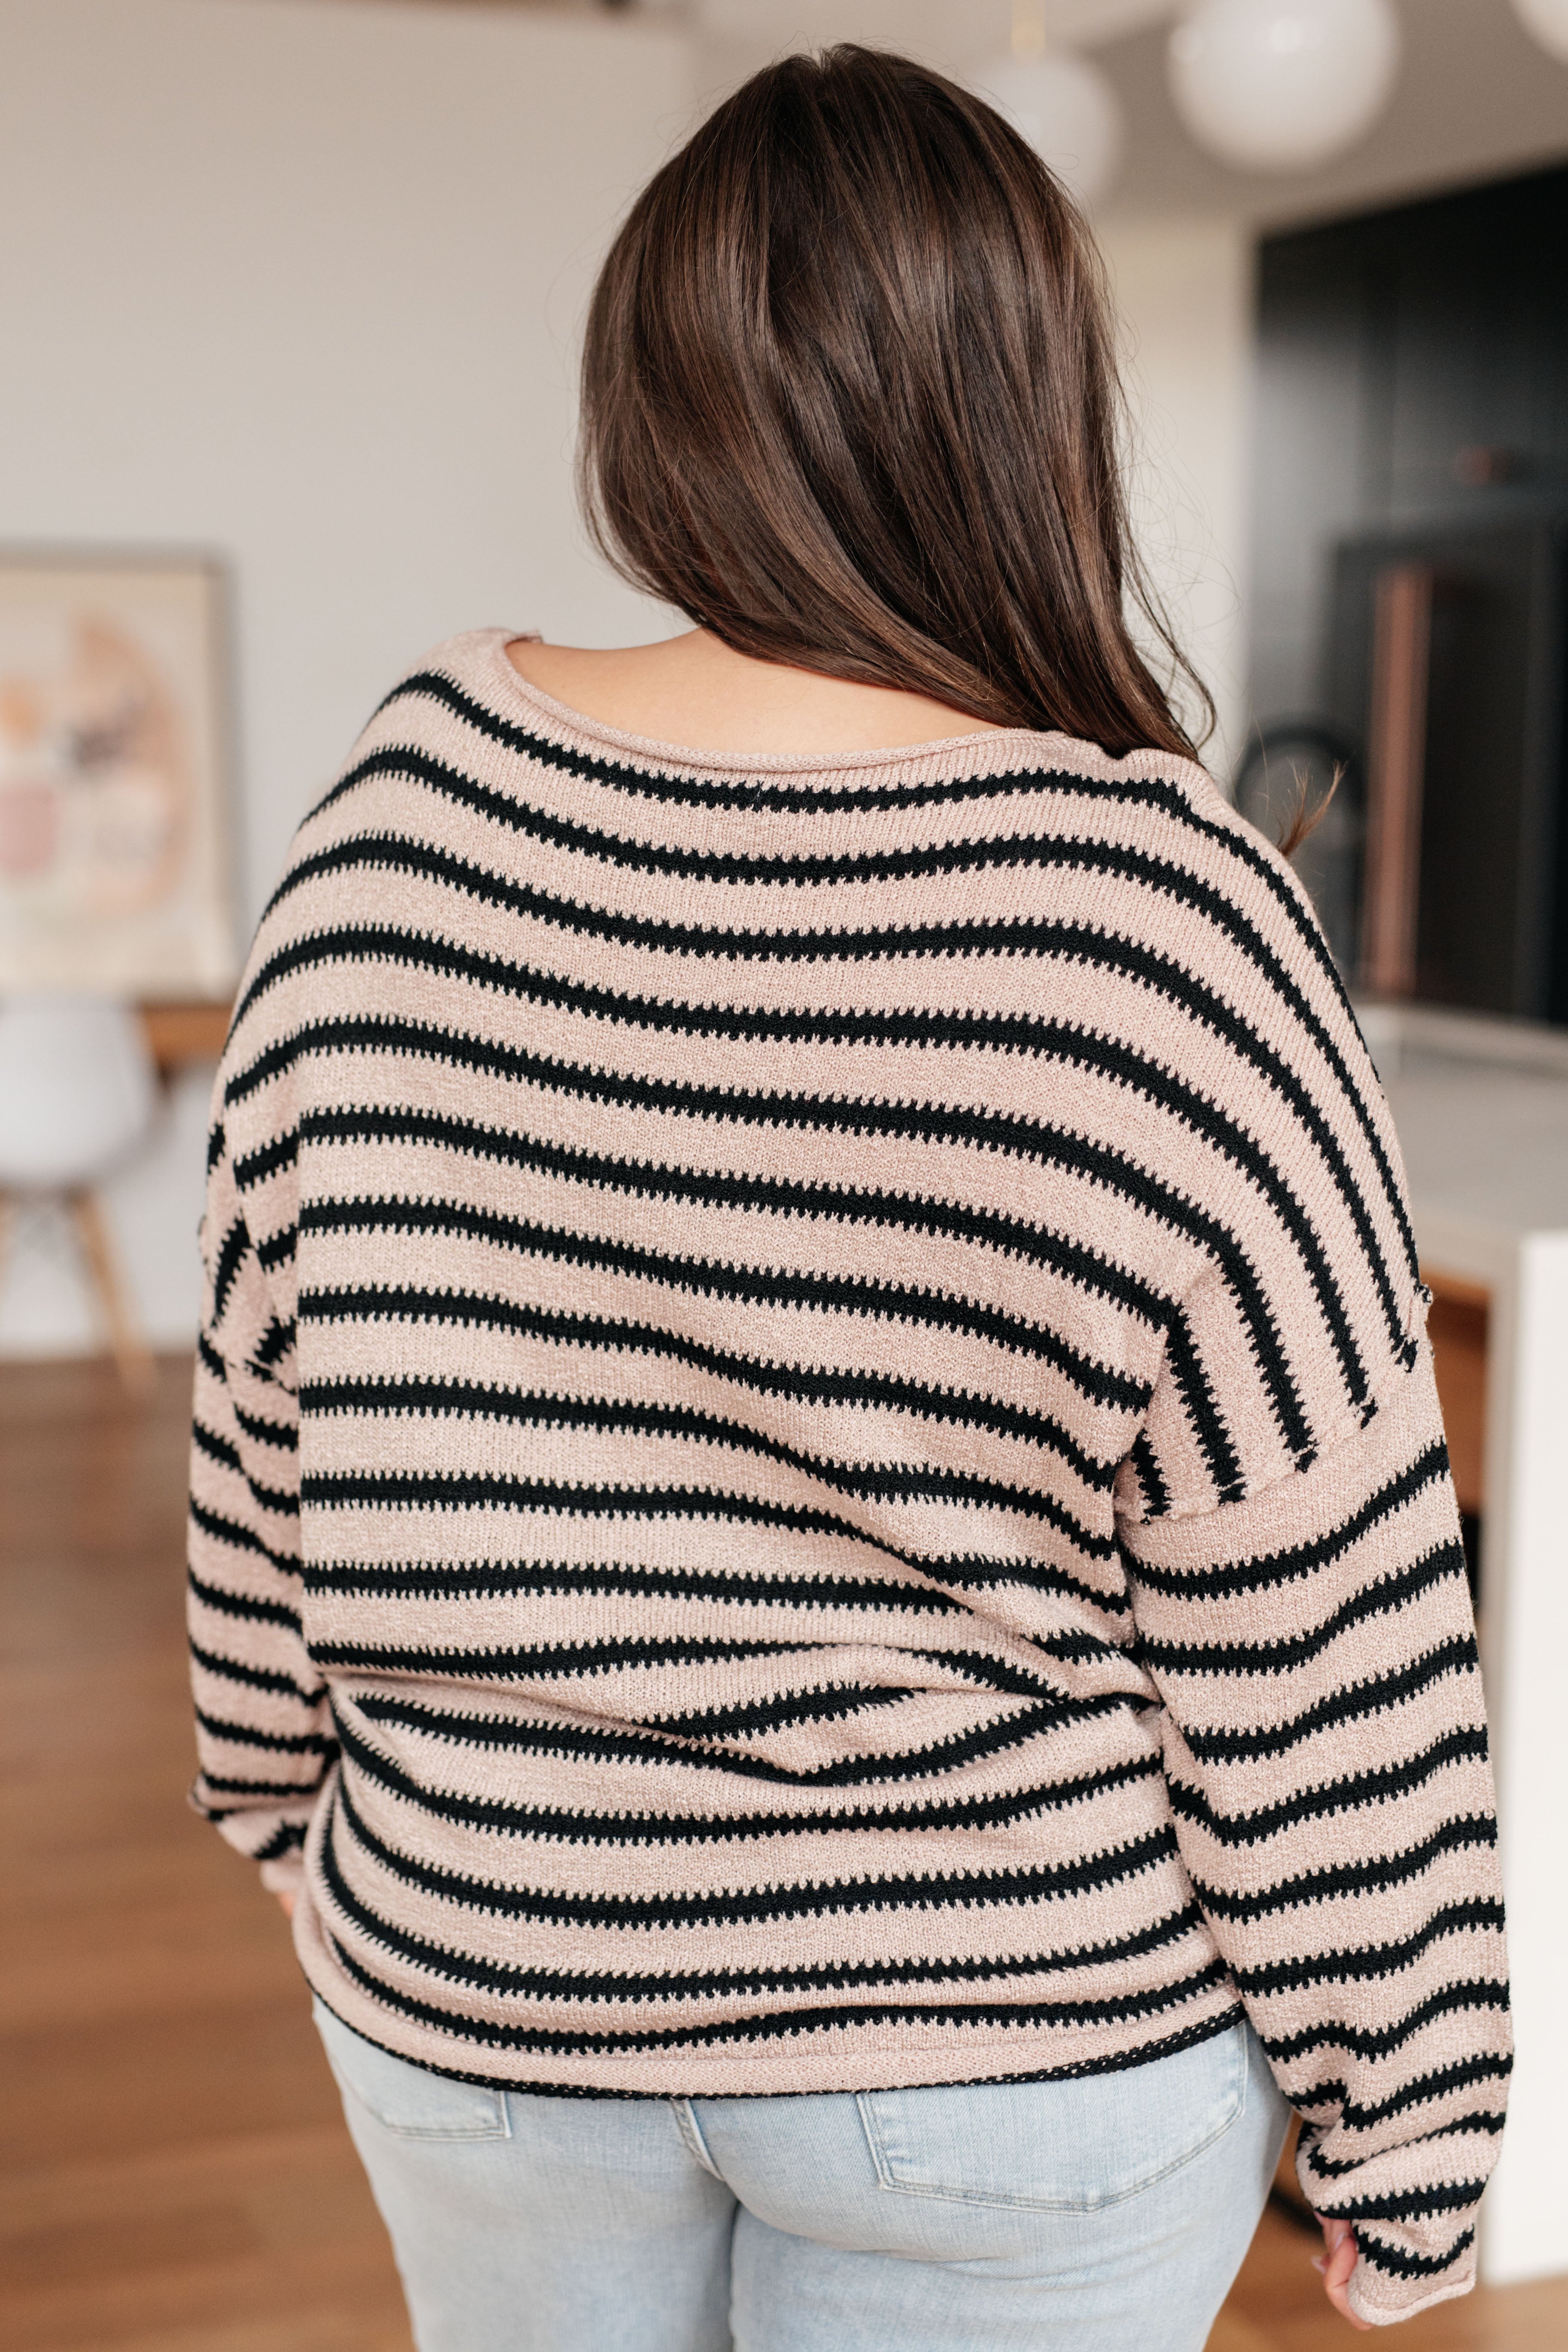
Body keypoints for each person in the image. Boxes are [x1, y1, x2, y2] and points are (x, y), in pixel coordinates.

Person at [186, 46, 1509, 2352]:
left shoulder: (402, 805)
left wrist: (277, 1804)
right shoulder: (1166, 911)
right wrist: (1408, 2133)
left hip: (485, 1986)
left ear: (643, 398)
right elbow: (1318, 1606)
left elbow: (261, 1388)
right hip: (1013, 2042)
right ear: (1028, 407)